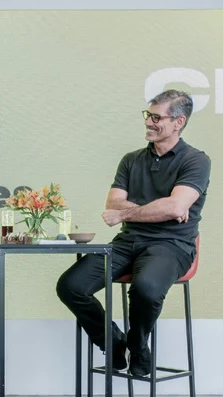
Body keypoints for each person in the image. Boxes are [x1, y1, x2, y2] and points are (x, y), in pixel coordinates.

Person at [56, 89, 211, 377]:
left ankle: (138, 346)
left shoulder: (196, 160)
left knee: (146, 288)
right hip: (127, 242)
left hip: (172, 245)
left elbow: (166, 206)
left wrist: (132, 211)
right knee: (70, 286)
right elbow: (112, 203)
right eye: (147, 115)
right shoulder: (131, 160)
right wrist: (163, 207)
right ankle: (113, 342)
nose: (148, 122)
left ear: (178, 122)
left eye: (156, 117)